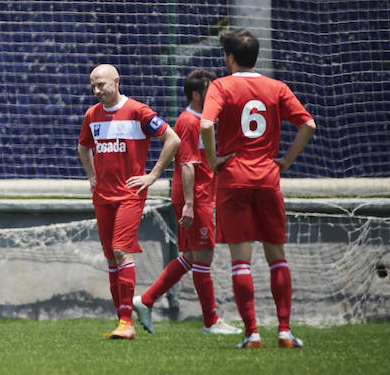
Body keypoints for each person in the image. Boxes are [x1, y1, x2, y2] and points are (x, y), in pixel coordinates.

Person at [200, 29, 316, 349]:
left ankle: (252, 333)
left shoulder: (221, 86)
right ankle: (283, 330)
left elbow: (206, 124)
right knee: (277, 257)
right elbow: (308, 124)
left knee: (241, 260)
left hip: (234, 178)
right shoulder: (276, 87)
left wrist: (213, 160)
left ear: (231, 58)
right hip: (267, 177)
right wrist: (286, 161)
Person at [132, 69, 241, 336]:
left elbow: (199, 162)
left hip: (197, 195)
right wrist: (191, 204)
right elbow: (188, 166)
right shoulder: (190, 122)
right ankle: (211, 322)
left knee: (191, 257)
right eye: (210, 90)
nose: (215, 95)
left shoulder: (200, 120)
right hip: (196, 197)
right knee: (204, 256)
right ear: (196, 94)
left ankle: (144, 300)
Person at [77, 64, 180, 340]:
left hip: (129, 195)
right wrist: (92, 177)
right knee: (111, 258)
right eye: (93, 86)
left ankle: (126, 322)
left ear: (116, 81)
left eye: (102, 84)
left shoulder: (138, 111)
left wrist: (153, 174)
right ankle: (122, 320)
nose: (97, 90)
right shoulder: (92, 115)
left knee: (121, 251)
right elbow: (83, 147)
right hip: (102, 196)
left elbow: (173, 139)